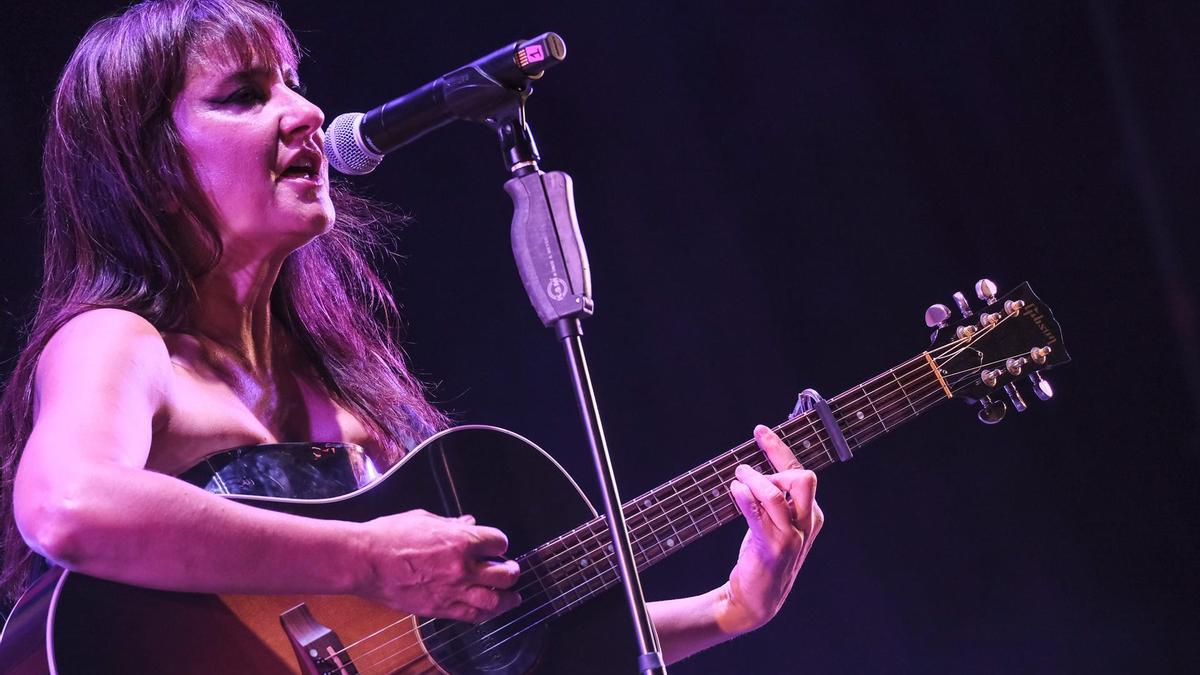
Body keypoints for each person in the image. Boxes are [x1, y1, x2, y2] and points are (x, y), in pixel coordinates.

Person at [0, 0, 822, 666]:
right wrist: (362, 557)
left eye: (293, 83)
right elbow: (67, 506)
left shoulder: (338, 380)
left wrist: (729, 606)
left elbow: (471, 639)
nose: (308, 113)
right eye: (247, 95)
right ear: (149, 166)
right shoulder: (121, 341)